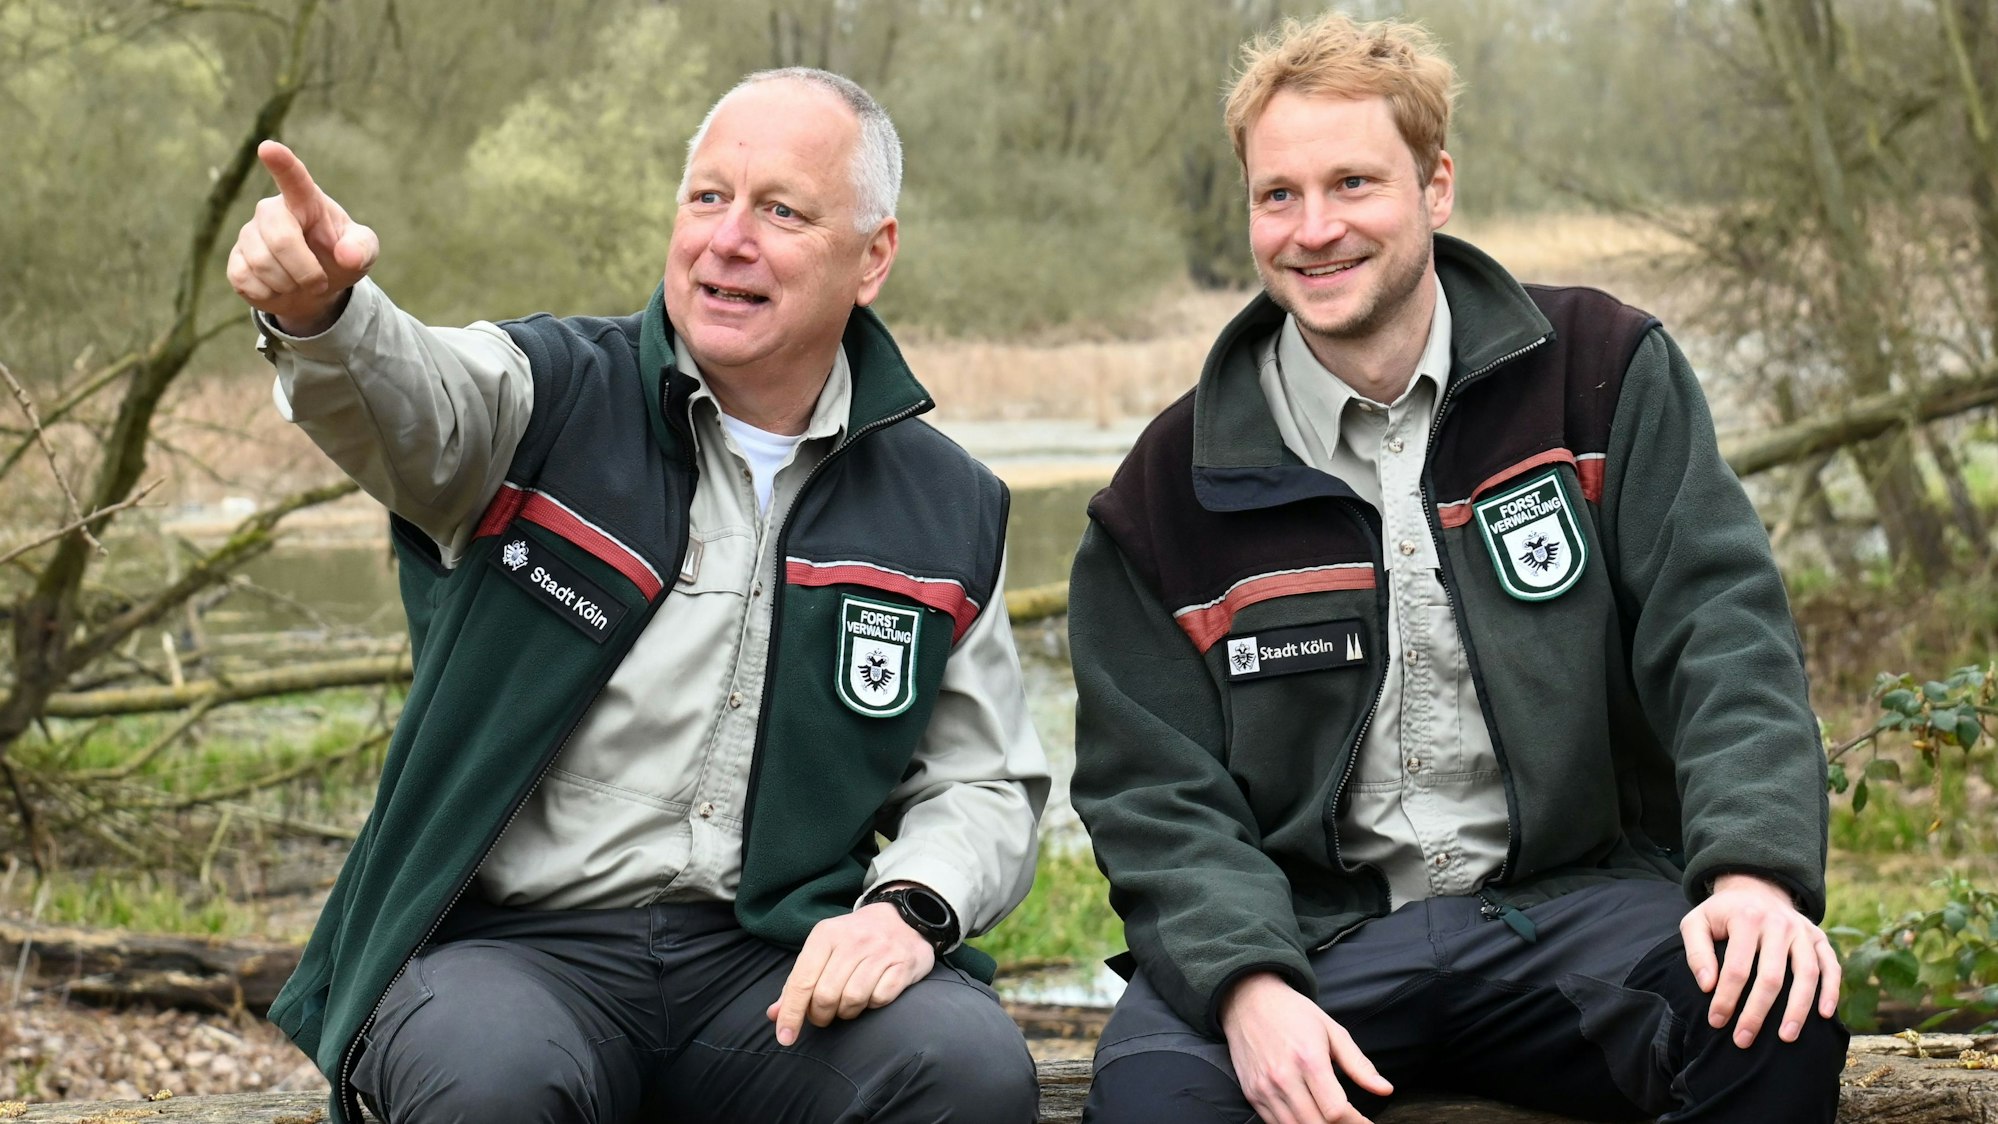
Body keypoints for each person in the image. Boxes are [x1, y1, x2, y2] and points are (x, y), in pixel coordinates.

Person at [228, 68, 1048, 1124]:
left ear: (873, 255)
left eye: (781, 210)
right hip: (505, 951)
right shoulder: (543, 395)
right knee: (495, 1083)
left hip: (768, 967)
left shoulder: (945, 504)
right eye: (708, 197)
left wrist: (906, 907)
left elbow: (983, 782)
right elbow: (409, 391)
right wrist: (324, 310)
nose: (727, 239)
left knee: (969, 1067)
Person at [1067, 12, 1846, 1124]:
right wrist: (1245, 981)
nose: (1314, 228)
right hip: (1313, 943)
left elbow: (1723, 639)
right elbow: (1151, 791)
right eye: (1278, 194)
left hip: (1571, 912)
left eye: (1353, 184)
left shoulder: (1601, 374)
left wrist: (1754, 874)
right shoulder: (1167, 487)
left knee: (1770, 1012)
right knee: (1153, 1102)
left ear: (1436, 187)